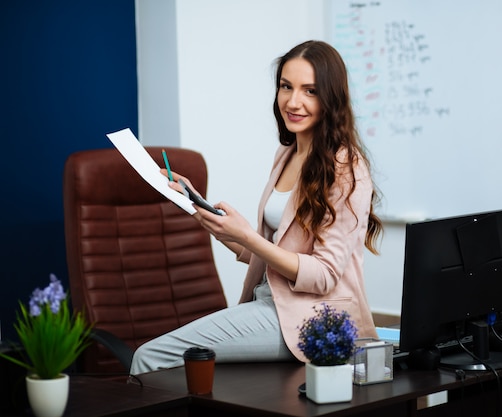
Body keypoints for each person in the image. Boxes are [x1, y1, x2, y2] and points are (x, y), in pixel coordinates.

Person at [129, 40, 383, 375]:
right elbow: (263, 254)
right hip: (269, 301)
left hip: (310, 316)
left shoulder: (346, 168)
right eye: (285, 87)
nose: (293, 101)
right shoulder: (287, 155)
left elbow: (323, 276)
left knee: (148, 357)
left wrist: (248, 236)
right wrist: (193, 203)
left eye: (309, 91)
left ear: (331, 98)